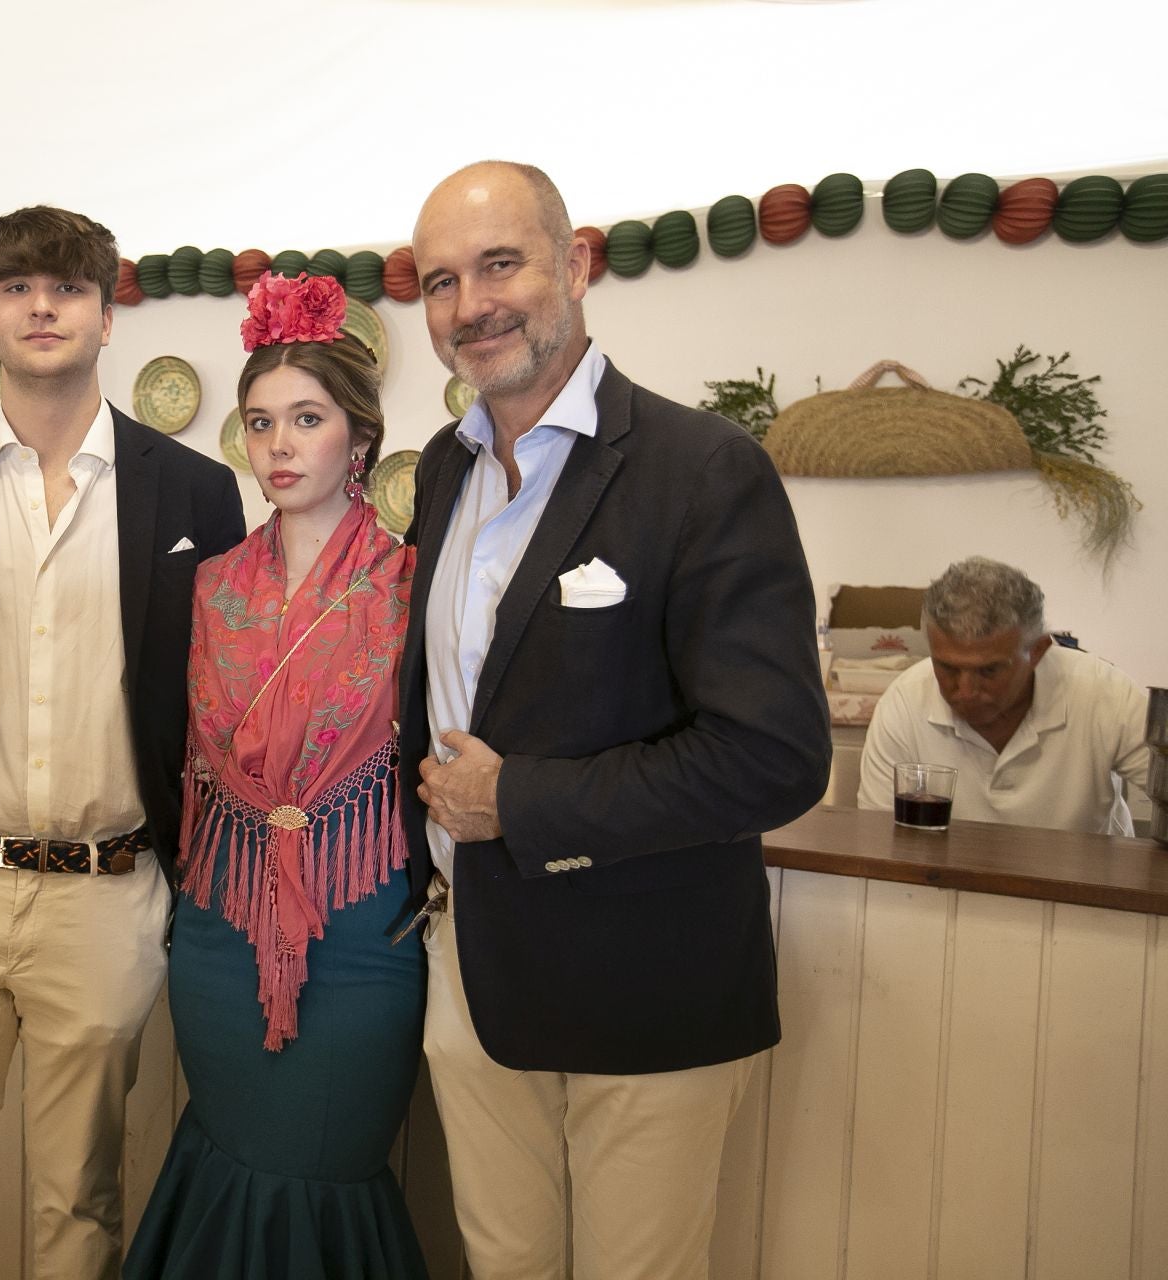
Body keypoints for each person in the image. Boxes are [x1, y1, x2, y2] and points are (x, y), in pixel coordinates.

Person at [400, 162, 832, 1279]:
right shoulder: (443, 476)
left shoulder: (703, 469)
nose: (472, 304)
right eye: (443, 281)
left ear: (576, 263)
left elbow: (774, 756)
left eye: (502, 263)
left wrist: (520, 799)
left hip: (644, 983)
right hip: (474, 974)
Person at [0, 205, 245, 1279]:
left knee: (78, 1201)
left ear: (106, 309)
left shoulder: (196, 491)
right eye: (18, 288)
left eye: (68, 287)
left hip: (108, 889)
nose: (43, 306)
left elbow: (220, 694)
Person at [125, 274, 427, 1279]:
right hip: (218, 925)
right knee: (228, 1146)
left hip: (361, 926)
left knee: (326, 1157)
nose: (282, 445)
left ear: (361, 436)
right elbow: (176, 754)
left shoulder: (408, 585)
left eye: (308, 418)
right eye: (262, 423)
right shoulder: (209, 586)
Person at [859, 556, 1150, 835]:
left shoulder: (1104, 694)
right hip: (942, 883)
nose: (966, 691)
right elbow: (879, 837)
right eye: (947, 667)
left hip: (1089, 882)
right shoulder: (904, 703)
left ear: (1037, 651)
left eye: (989, 671)